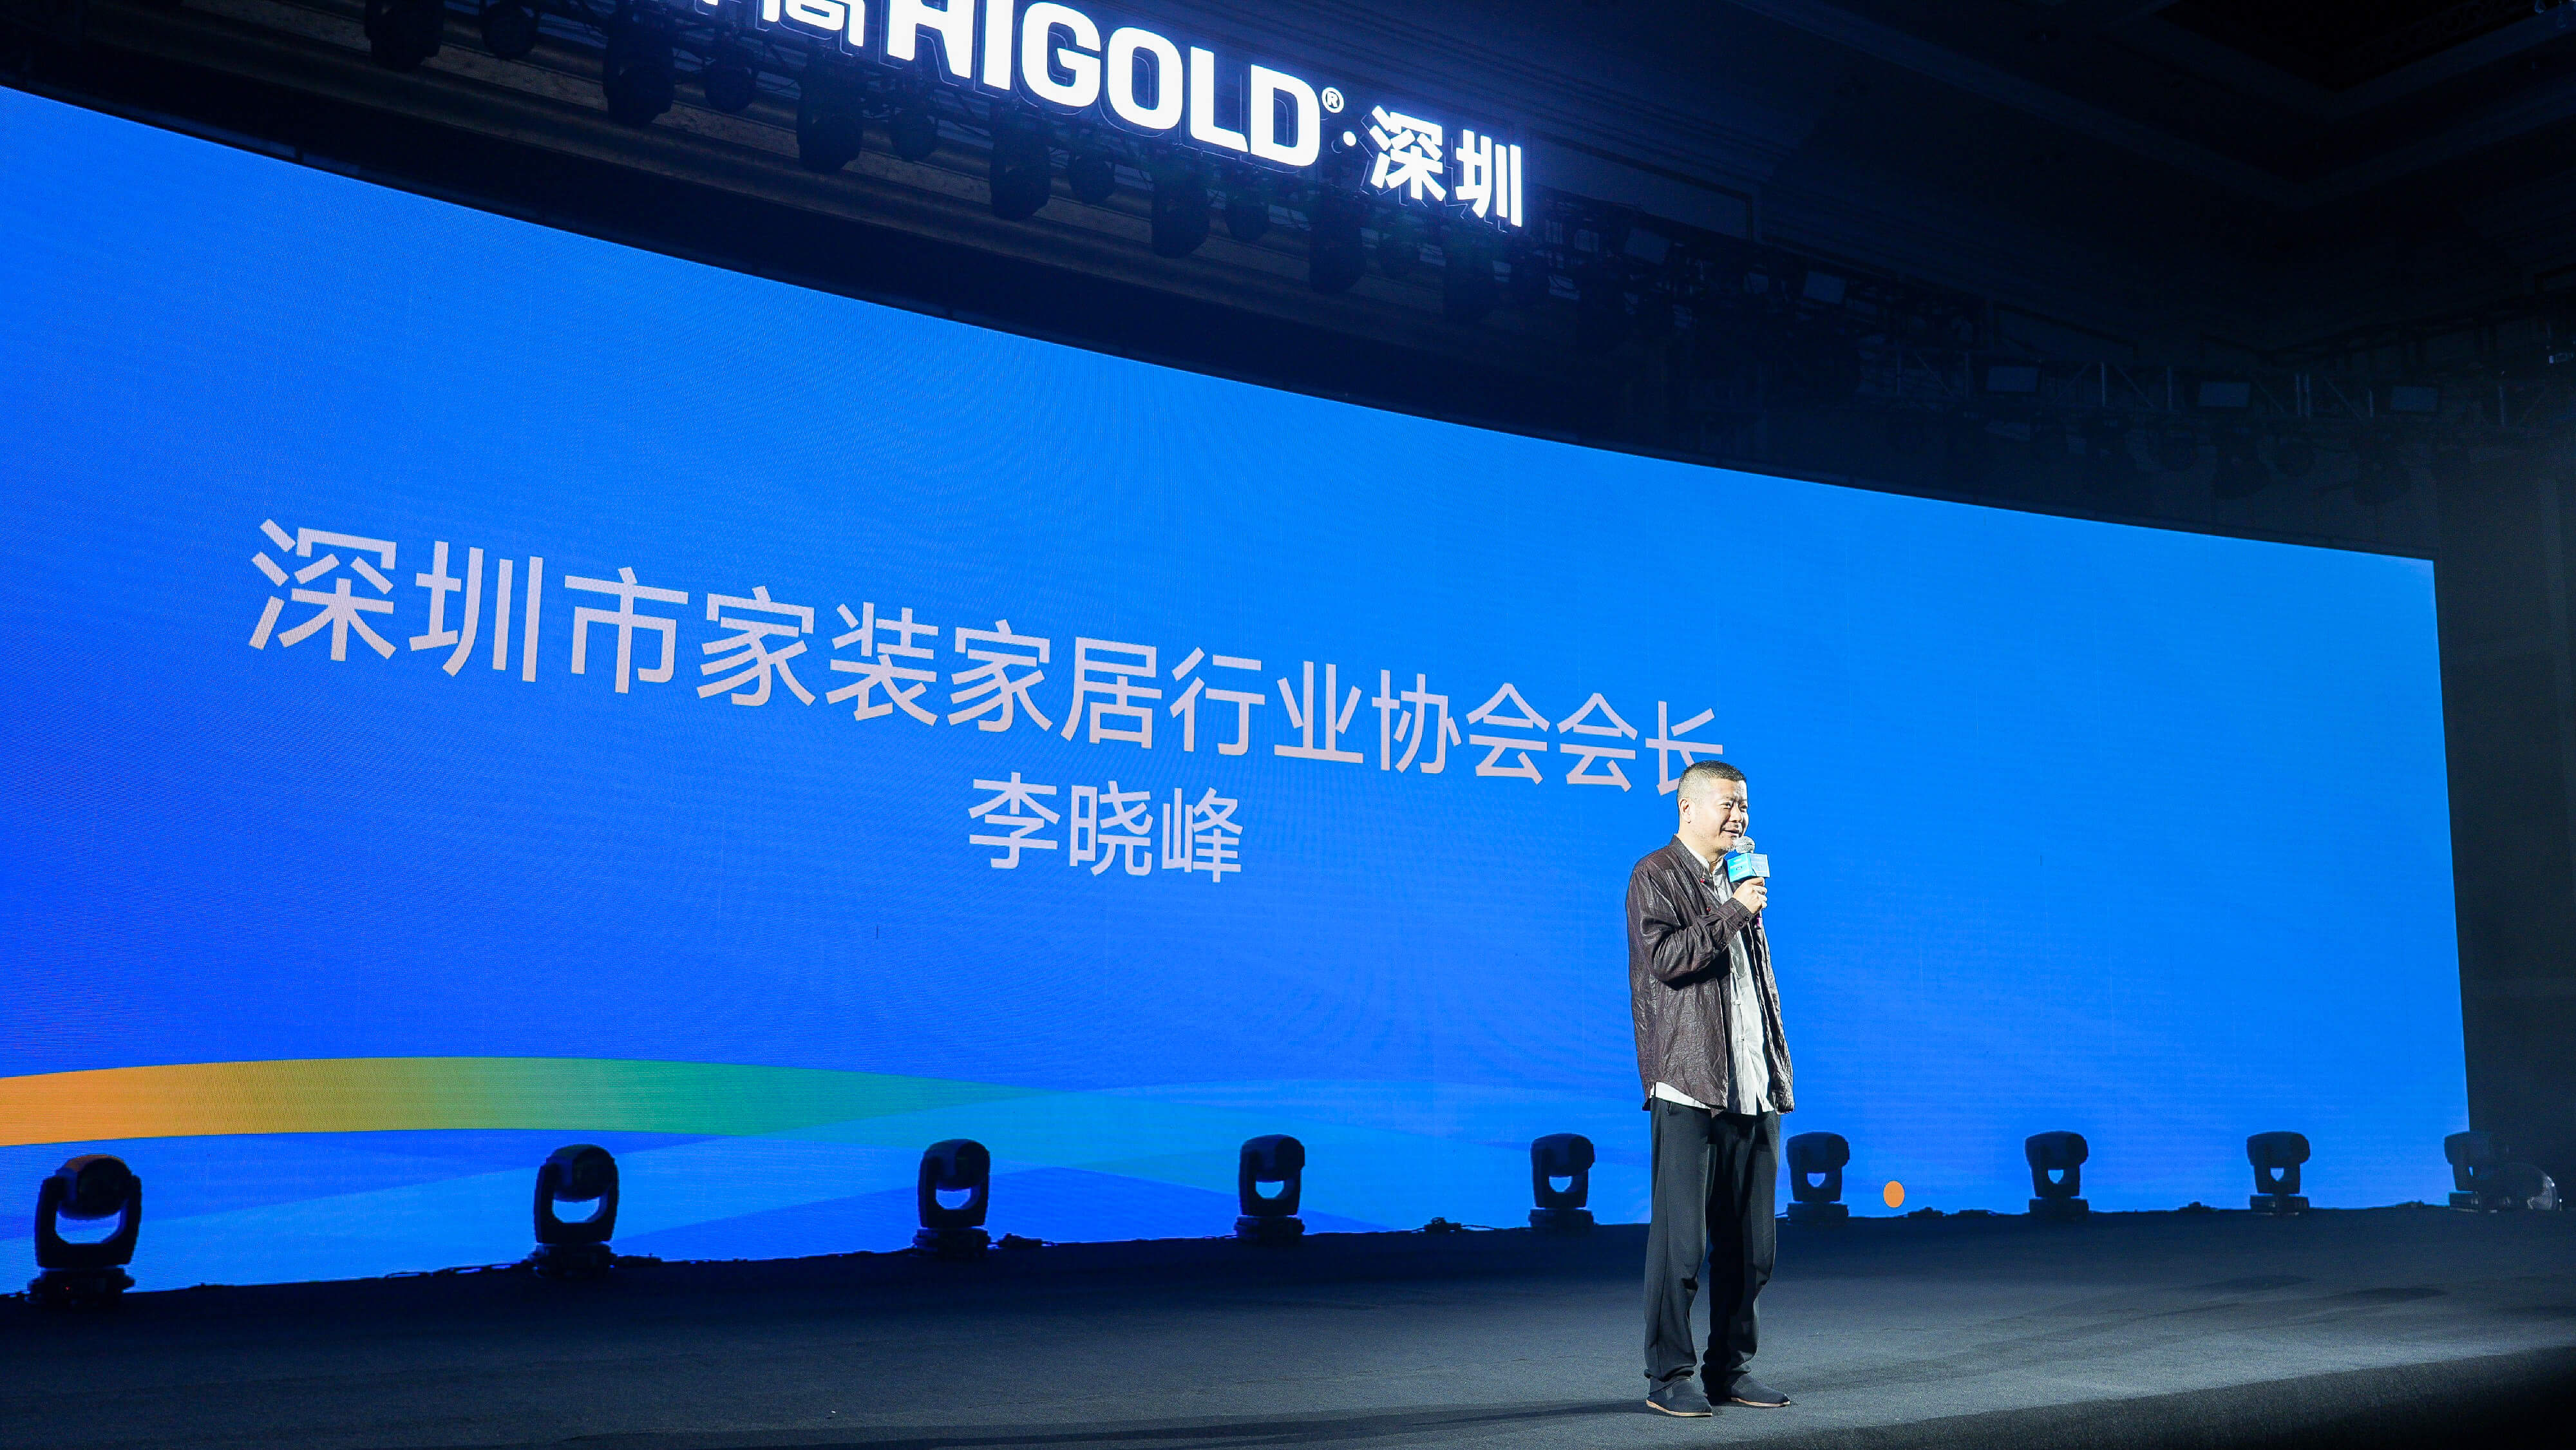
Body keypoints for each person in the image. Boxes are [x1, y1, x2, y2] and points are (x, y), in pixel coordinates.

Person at [1626, 758, 1794, 1415]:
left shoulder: (1738, 879)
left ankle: (1731, 1367)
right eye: (1727, 804)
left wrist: (1775, 1068)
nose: (1738, 815)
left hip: (1752, 1086)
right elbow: (1666, 961)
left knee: (1753, 1248)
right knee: (1682, 1247)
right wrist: (1732, 911)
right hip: (1690, 1087)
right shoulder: (1655, 874)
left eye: (1744, 805)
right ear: (1687, 808)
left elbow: (1751, 989)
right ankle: (1670, 1375)